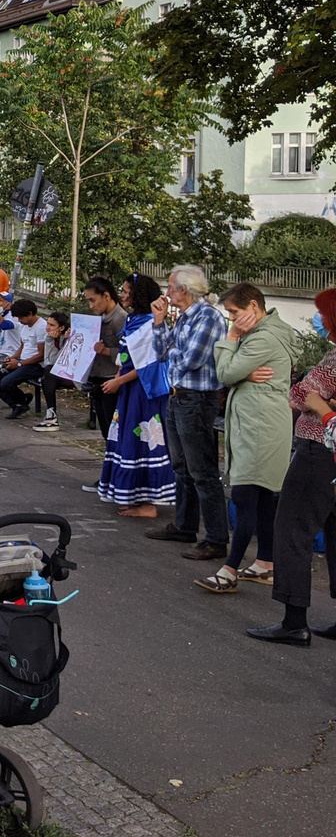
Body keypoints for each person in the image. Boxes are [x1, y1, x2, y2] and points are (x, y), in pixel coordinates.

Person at [196, 283, 298, 594]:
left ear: (253, 306)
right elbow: (235, 371)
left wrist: (231, 341)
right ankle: (265, 563)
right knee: (264, 497)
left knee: (245, 495)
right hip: (262, 424)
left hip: (258, 427)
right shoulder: (271, 332)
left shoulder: (263, 337)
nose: (231, 319)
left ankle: (229, 571)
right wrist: (242, 369)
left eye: (234, 312)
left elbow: (224, 374)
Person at [250, 288, 336, 644]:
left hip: (319, 450)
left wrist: (318, 401)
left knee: (293, 530)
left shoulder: (333, 362)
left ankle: (294, 620)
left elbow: (299, 396)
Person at [145, 266, 230, 559]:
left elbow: (190, 360)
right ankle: (185, 525)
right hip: (179, 395)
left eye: (170, 287)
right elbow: (161, 353)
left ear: (184, 290)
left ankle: (217, 538)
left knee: (202, 470)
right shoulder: (183, 318)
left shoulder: (207, 317)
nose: (166, 293)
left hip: (197, 398)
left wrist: (172, 350)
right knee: (182, 467)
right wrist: (159, 324)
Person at [95, 274, 175, 518]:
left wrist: (119, 380)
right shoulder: (134, 319)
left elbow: (147, 366)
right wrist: (118, 376)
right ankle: (133, 495)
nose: (123, 294)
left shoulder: (150, 323)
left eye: (127, 291)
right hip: (129, 390)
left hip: (144, 392)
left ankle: (148, 503)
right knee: (128, 440)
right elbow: (127, 357)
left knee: (142, 441)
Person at [83, 277, 127, 438]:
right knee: (105, 428)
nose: (91, 306)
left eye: (93, 300)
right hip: (97, 378)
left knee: (112, 428)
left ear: (106, 296)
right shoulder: (98, 319)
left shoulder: (120, 318)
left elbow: (129, 353)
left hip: (112, 379)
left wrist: (107, 351)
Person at [0, 298, 46, 419]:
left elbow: (41, 354)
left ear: (30, 314)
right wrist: (12, 358)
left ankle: (20, 402)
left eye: (21, 318)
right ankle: (19, 403)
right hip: (22, 361)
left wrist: (19, 364)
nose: (20, 321)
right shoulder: (24, 326)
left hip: (36, 364)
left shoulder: (41, 327)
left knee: (6, 382)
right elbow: (22, 346)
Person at [33, 311, 76, 431]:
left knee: (47, 374)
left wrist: (68, 342)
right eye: (47, 324)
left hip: (73, 375)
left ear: (61, 327)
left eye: (52, 325)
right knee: (47, 373)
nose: (48, 327)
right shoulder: (49, 337)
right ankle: (51, 414)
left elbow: (61, 362)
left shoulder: (70, 337)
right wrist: (50, 341)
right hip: (57, 373)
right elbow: (49, 361)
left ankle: (51, 415)